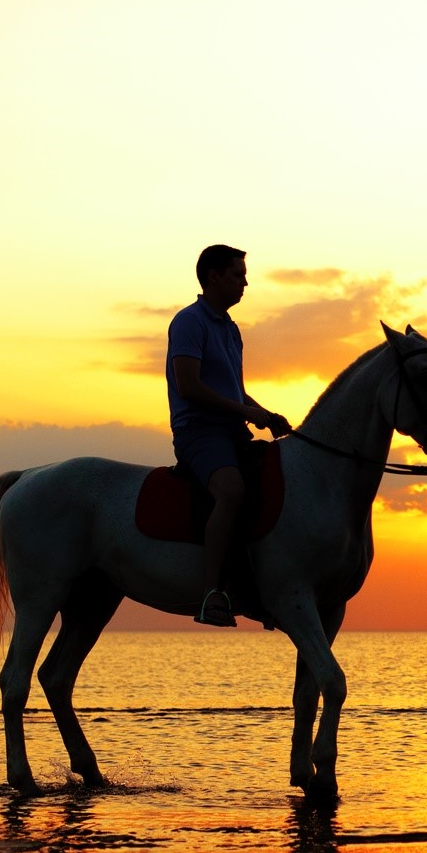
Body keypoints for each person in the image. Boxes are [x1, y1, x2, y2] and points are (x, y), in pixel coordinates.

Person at [167, 245, 292, 628]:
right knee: (232, 490)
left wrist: (264, 414)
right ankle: (211, 593)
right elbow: (189, 386)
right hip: (199, 434)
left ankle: (260, 585)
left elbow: (233, 391)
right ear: (214, 276)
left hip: (231, 432)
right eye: (238, 275)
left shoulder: (231, 330)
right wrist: (246, 412)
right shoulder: (189, 322)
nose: (245, 282)